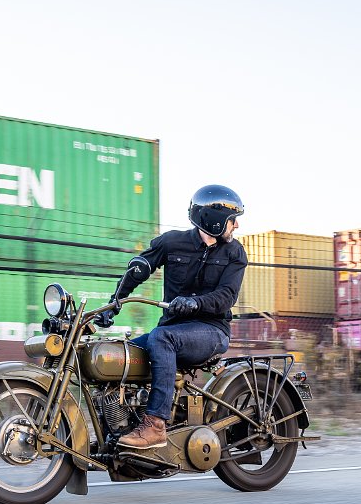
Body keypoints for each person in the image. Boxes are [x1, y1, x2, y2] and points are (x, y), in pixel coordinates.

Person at [96, 184, 248, 449]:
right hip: (173, 329)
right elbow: (138, 270)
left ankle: (155, 424)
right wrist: (114, 303)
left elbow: (226, 297)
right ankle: (117, 426)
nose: (236, 226)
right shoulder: (172, 242)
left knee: (161, 338)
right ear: (214, 221)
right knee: (115, 354)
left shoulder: (234, 253)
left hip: (211, 330)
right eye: (232, 220)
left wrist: (194, 303)